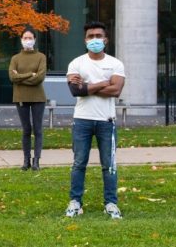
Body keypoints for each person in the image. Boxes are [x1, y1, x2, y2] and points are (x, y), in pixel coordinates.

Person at [64, 21, 125, 219]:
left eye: (98, 36)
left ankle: (111, 203)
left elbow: (116, 90)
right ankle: (75, 202)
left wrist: (87, 85)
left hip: (107, 121)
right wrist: (103, 83)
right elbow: (75, 90)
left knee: (109, 164)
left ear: (105, 39)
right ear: (85, 40)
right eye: (90, 37)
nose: (94, 40)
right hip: (82, 120)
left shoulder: (115, 64)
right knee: (79, 163)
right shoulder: (76, 63)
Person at [8, 29, 47, 171]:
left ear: (35, 39)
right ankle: (26, 160)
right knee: (26, 130)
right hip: (20, 97)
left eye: (30, 37)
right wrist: (31, 74)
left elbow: (40, 78)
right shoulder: (15, 58)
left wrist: (21, 77)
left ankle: (36, 160)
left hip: (38, 98)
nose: (28, 40)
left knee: (37, 129)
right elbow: (12, 78)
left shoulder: (41, 57)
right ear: (21, 39)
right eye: (25, 37)